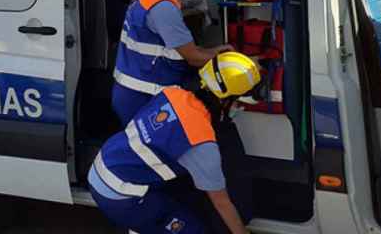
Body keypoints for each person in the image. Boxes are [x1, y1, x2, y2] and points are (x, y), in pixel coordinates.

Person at [89, 51, 260, 234]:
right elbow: (222, 203)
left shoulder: (173, 94)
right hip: (121, 194)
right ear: (225, 100)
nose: (239, 108)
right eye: (238, 103)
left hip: (104, 166)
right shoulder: (201, 142)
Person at [113, 0, 231, 124]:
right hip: (145, 97)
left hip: (132, 92)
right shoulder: (163, 7)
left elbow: (173, 48)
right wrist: (228, 59)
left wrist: (215, 51)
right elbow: (193, 57)